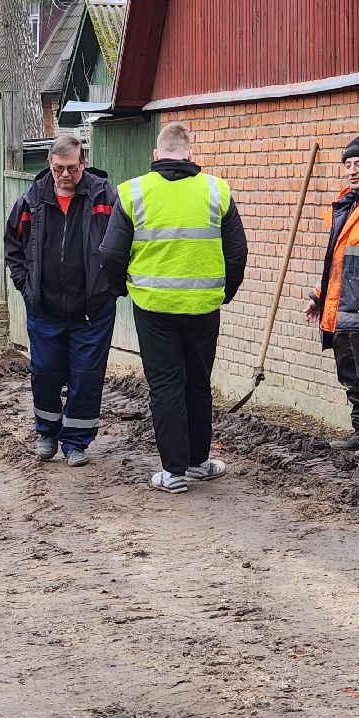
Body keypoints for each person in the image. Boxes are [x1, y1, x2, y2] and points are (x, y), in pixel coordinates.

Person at [100, 121, 247, 493]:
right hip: (203, 307)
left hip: (153, 307)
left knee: (165, 385)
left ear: (156, 155)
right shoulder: (217, 191)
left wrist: (122, 289)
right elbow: (238, 252)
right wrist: (223, 293)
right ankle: (199, 463)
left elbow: (111, 253)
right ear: (190, 154)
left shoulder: (133, 192)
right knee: (198, 383)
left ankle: (174, 473)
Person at [4, 132, 121, 468]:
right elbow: (14, 245)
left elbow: (121, 243)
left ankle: (76, 442)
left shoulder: (104, 197)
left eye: (71, 168)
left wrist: (109, 286)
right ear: (50, 165)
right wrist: (25, 285)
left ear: (82, 164)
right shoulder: (31, 201)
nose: (65, 175)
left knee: (86, 375)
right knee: (45, 372)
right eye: (58, 168)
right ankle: (46, 432)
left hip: (92, 310)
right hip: (45, 308)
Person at [305, 136, 359, 451]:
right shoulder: (346, 203)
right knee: (349, 374)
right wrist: (318, 296)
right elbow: (335, 260)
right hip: (339, 306)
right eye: (348, 165)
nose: (352, 171)